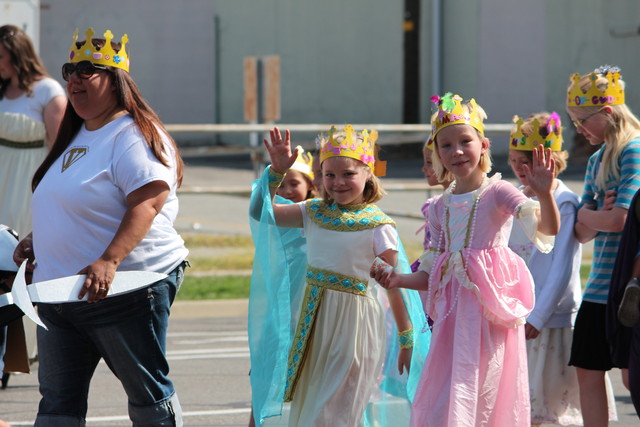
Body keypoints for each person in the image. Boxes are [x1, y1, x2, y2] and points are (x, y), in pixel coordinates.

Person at [12, 27, 188, 426]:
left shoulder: (132, 133)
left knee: (146, 395)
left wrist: (109, 260)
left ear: (116, 80)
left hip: (123, 287)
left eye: (87, 70)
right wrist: (40, 240)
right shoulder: (78, 136)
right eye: (69, 70)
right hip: (59, 293)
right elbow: (77, 204)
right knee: (57, 401)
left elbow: (148, 201)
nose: (73, 78)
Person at [371, 93, 560, 426]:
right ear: (437, 154)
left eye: (464, 141)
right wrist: (398, 279)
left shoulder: (498, 192)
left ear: (483, 144)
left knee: (486, 391)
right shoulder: (440, 207)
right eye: (446, 145)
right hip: (453, 320)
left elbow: (545, 230)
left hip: (488, 314)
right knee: (446, 395)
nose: (456, 151)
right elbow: (431, 271)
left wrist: (544, 195)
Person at [248, 125, 428, 426]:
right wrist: (275, 173)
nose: (337, 182)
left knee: (336, 410)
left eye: (348, 174)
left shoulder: (379, 226)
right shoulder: (312, 212)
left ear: (367, 173)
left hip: (355, 325)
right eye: (329, 175)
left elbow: (393, 286)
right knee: (314, 406)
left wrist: (406, 339)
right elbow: (260, 212)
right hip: (315, 322)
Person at [566, 65, 640, 426]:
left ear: (607, 112)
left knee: (632, 376)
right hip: (598, 287)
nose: (578, 129)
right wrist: (595, 216)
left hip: (628, 285)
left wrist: (594, 216)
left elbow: (620, 220)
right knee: (587, 367)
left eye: (582, 121)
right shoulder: (597, 159)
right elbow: (579, 231)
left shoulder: (634, 150)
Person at [507, 112, 591, 425]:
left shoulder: (565, 201)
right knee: (524, 406)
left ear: (549, 161)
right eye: (514, 160)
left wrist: (540, 315)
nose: (518, 169)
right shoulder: (515, 196)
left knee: (552, 408)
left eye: (525, 162)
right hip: (521, 313)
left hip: (551, 321)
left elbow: (563, 267)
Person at [247, 147, 316, 427]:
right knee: (266, 373)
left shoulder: (316, 214)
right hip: (281, 310)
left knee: (310, 381)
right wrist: (273, 175)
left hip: (312, 309)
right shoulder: (281, 218)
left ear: (311, 185)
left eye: (294, 183)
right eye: (283, 184)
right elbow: (259, 209)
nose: (287, 190)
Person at [0, 25, 66, 238]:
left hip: (27, 181)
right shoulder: (2, 89)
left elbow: (60, 148)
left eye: (0, 56)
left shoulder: (48, 90)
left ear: (18, 55)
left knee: (16, 239)